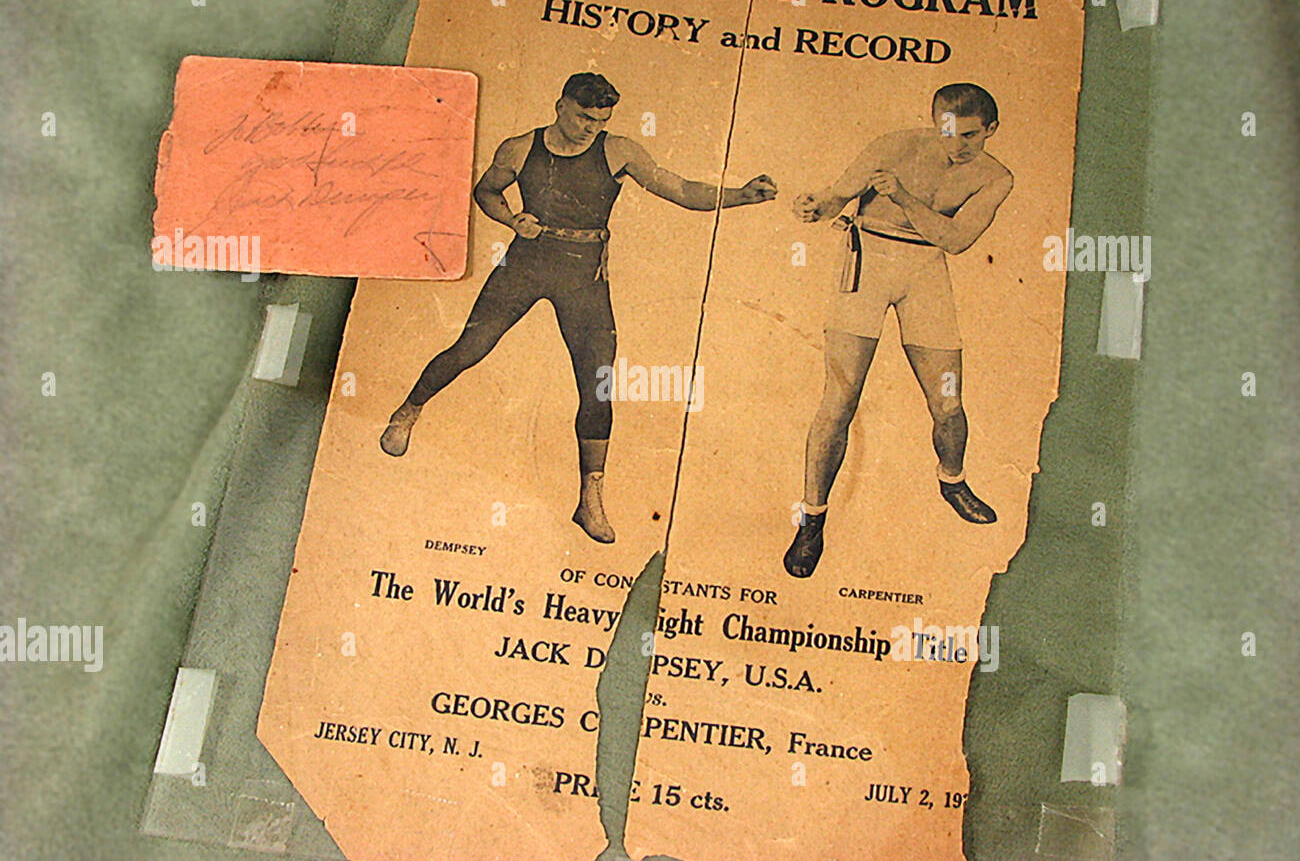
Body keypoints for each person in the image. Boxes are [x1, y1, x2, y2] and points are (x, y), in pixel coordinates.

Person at [381, 72, 777, 544]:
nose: (593, 127)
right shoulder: (518, 148)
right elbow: (485, 192)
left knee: (598, 386)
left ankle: (589, 499)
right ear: (560, 106)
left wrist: (741, 196)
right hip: (527, 262)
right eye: (585, 117)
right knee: (471, 347)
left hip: (584, 278)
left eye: (601, 119)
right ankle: (406, 412)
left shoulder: (619, 151)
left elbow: (683, 191)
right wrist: (511, 218)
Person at [784, 83, 1013, 578]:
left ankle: (952, 481)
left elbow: (954, 239)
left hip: (926, 268)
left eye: (971, 136)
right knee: (839, 401)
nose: (958, 146)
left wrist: (904, 197)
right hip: (865, 259)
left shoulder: (995, 178)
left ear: (991, 130)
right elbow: (835, 197)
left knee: (947, 402)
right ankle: (812, 520)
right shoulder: (895, 145)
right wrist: (812, 206)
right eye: (948, 132)